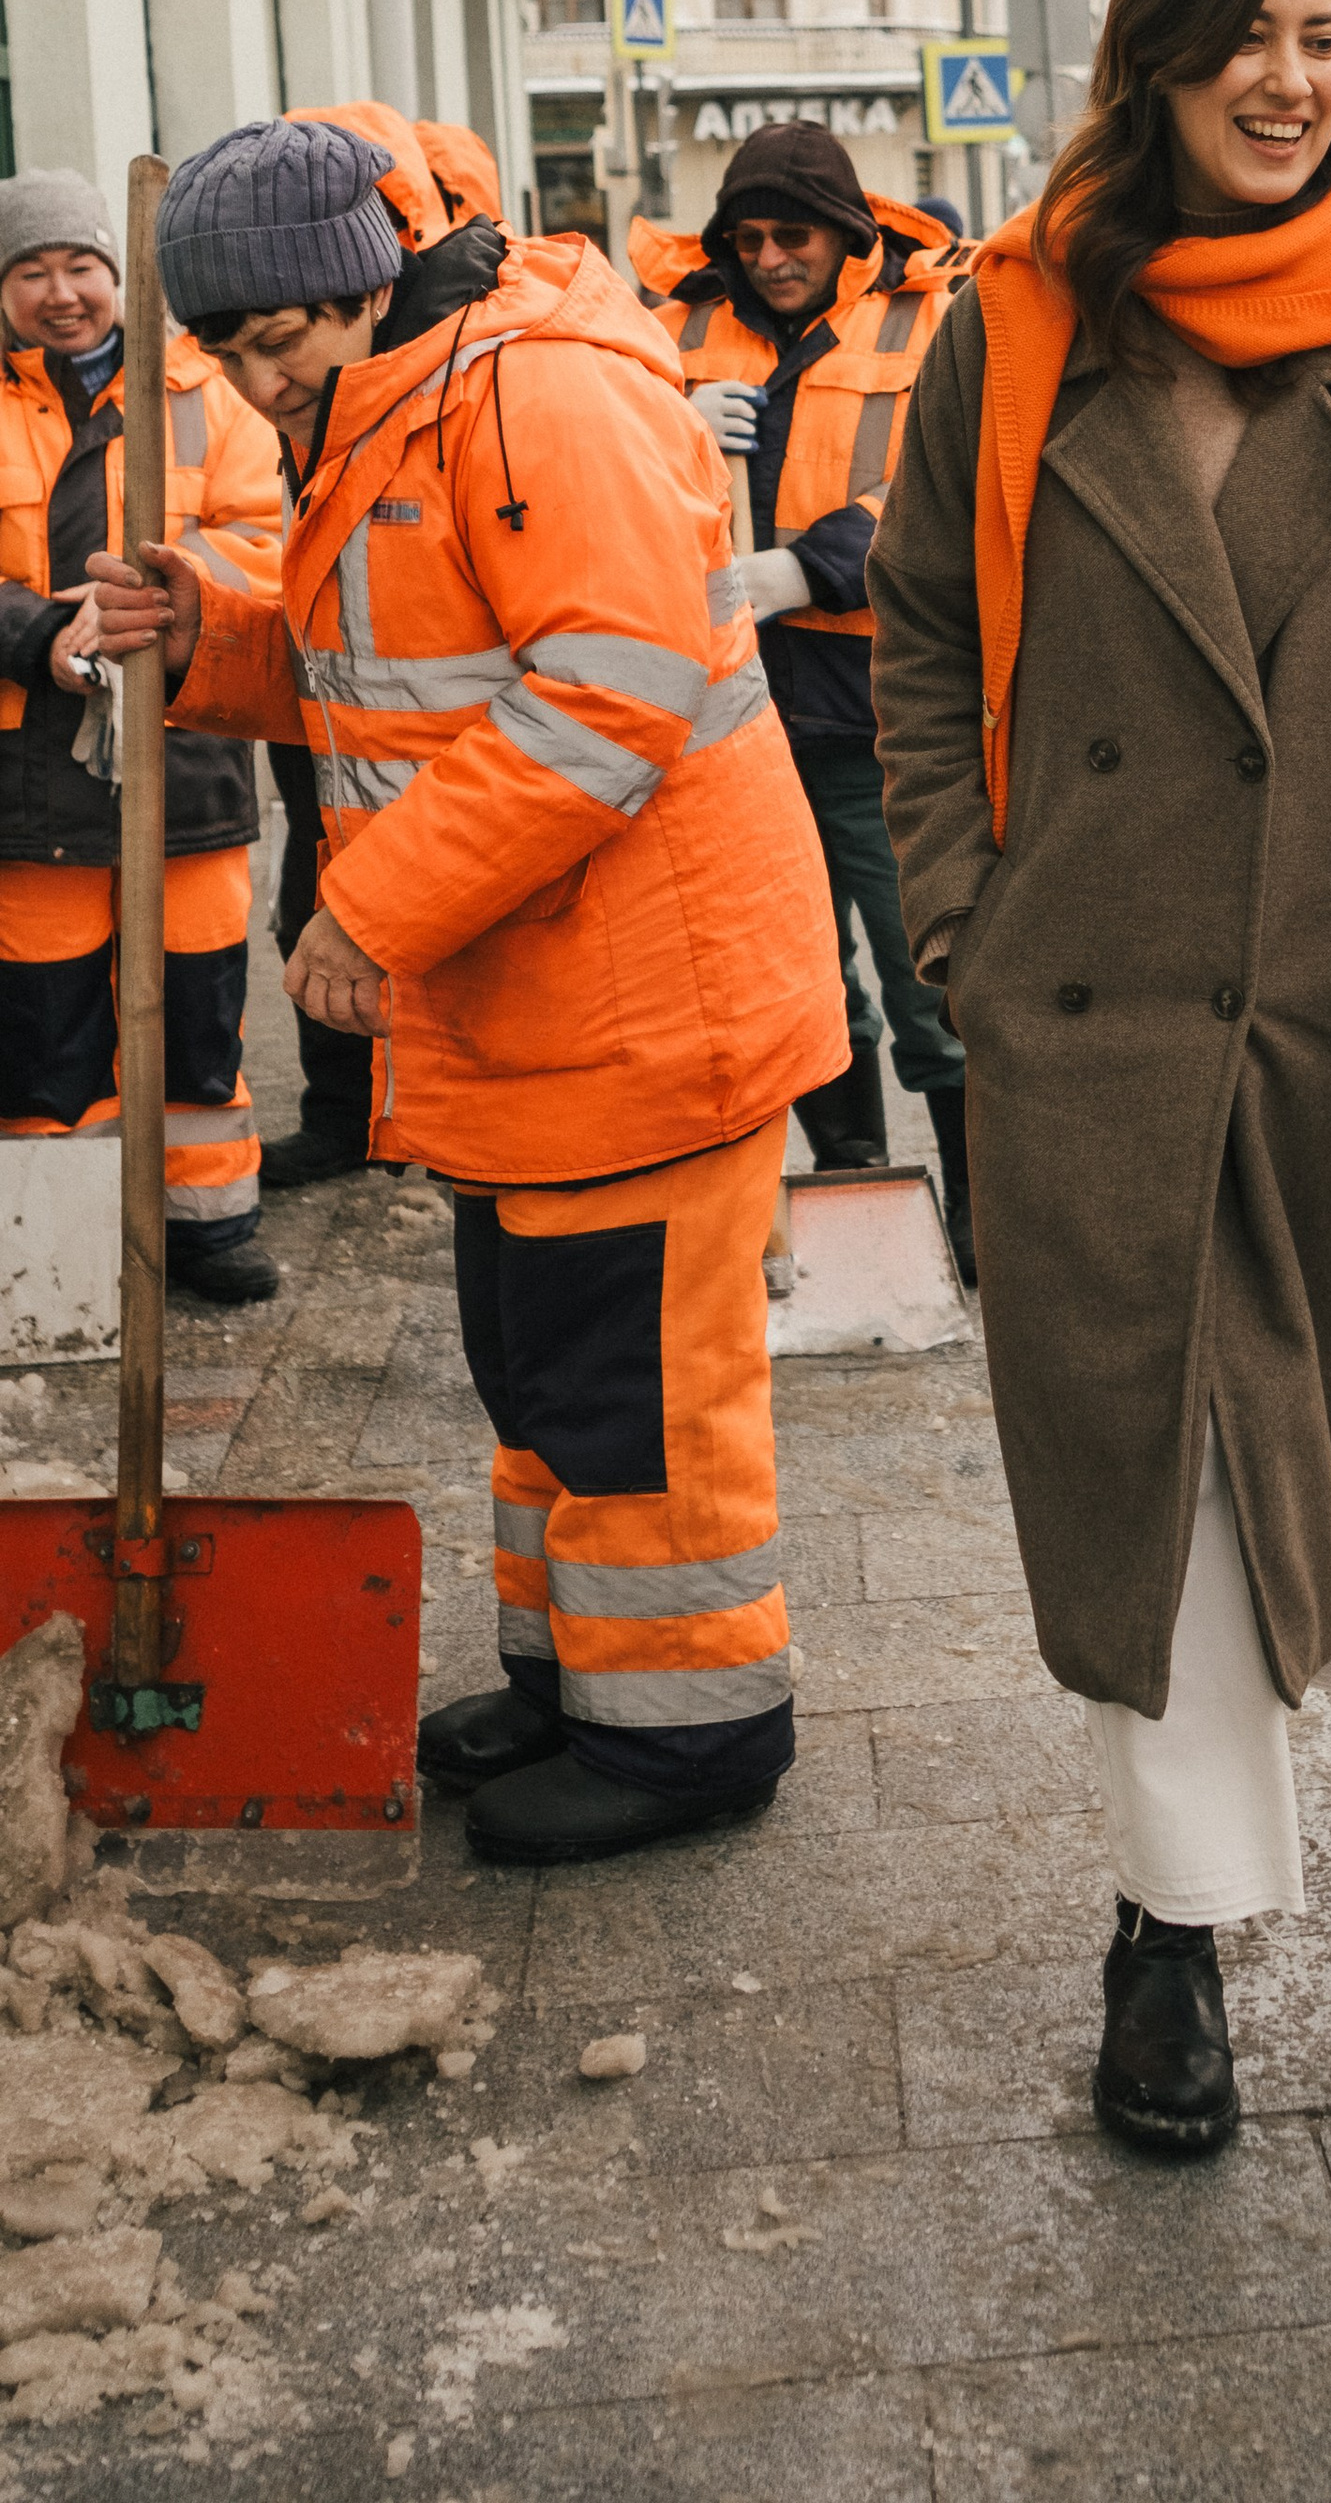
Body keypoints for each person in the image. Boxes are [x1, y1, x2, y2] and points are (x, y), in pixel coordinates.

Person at [868, 0, 1331, 2159]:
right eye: (1244, 35)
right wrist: (958, 913)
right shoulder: (1018, 320)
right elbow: (919, 633)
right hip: (1093, 1007)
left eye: (1322, 34)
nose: (1288, 76)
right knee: (1145, 1477)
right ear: (1151, 61)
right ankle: (1169, 1937)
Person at [83, 115, 844, 1868]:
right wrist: (207, 627)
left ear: (366, 281)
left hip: (651, 1001)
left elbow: (606, 695)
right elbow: (386, 674)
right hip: (542, 1008)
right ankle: (583, 1676)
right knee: (541, 1371)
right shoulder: (389, 401)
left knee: (638, 1398)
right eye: (230, 354)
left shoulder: (537, 395)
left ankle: (697, 1731)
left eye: (284, 341)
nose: (262, 385)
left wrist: (377, 914)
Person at [628, 126, 977, 1272]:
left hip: (882, 713)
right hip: (733, 716)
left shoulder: (923, 320)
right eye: (752, 238)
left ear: (847, 235)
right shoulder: (667, 328)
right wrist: (670, 434)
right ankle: (850, 1193)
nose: (773, 259)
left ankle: (981, 1210)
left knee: (929, 971)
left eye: (797, 236)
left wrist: (814, 566)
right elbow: (595, 474)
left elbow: (951, 479)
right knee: (800, 979)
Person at [0, 172, 285, 1303]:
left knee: (199, 1000)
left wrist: (162, 603)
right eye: (32, 273)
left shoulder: (208, 389)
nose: (61, 294)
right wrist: (44, 634)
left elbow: (269, 536)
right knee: (45, 1023)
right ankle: (60, 1245)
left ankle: (206, 1225)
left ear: (120, 277)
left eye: (80, 267)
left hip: (190, 745)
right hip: (31, 772)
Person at [262, 101, 456, 1193]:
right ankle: (355, 1116)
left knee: (388, 914)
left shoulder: (486, 379)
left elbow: (593, 710)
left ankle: (417, 1112)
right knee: (319, 900)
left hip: (436, 732)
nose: (261, 377)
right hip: (323, 702)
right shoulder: (299, 378)